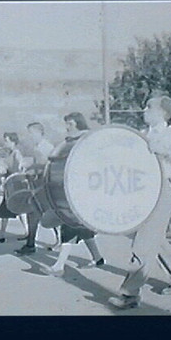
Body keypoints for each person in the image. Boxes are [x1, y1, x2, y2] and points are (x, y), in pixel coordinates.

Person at [108, 95, 171, 309]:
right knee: (151, 238)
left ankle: (130, 294)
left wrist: (166, 151)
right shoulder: (143, 134)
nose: (143, 109)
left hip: (161, 190)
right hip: (142, 191)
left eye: (149, 106)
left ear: (162, 112)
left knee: (143, 243)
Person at [40, 112, 105, 277]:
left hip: (82, 189)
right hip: (74, 187)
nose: (67, 127)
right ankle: (98, 259)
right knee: (82, 228)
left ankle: (59, 266)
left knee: (69, 224)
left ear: (76, 123)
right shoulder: (71, 141)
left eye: (69, 123)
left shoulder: (84, 139)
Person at [15, 122, 59, 255]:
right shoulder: (37, 147)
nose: (30, 136)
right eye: (29, 133)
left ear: (40, 132)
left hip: (45, 186)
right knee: (33, 213)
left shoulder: (47, 147)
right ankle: (30, 244)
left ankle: (60, 242)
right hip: (37, 185)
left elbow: (49, 166)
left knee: (50, 214)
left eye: (32, 133)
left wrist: (33, 168)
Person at [0, 133, 28, 243]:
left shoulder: (16, 153)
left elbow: (19, 168)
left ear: (13, 142)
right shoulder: (10, 154)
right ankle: (26, 232)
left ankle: (2, 235)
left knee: (8, 209)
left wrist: (5, 171)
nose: (5, 143)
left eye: (7, 141)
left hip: (15, 185)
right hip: (11, 185)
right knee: (17, 210)